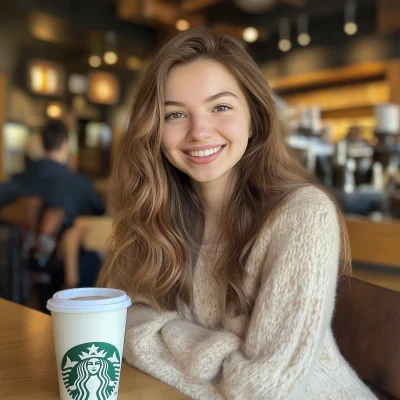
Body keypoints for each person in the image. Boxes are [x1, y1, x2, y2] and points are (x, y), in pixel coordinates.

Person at [97, 28, 376, 399]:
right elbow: (115, 322)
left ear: (255, 116)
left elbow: (262, 390)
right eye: (176, 114)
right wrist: (225, 360)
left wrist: (163, 340)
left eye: (221, 107)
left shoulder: (302, 216)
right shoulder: (157, 216)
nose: (199, 131)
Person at [0, 120, 105, 229]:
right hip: (64, 244)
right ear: (66, 145)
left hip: (21, 244)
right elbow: (100, 211)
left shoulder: (22, 179)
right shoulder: (79, 183)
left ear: (43, 144)